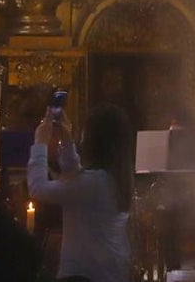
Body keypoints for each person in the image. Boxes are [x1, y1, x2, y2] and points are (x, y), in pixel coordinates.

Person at [28, 104, 134, 282]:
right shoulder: (112, 177)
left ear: (95, 141)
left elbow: (38, 189)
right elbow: (76, 178)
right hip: (108, 273)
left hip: (83, 276)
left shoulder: (94, 182)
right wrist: (68, 141)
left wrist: (40, 144)